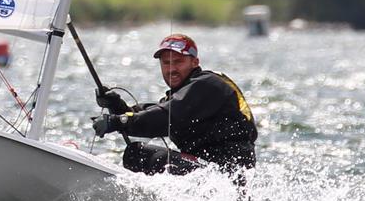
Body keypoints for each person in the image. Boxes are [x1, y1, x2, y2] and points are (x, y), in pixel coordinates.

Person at [92, 34, 257, 182]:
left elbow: (164, 118)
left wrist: (117, 121)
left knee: (138, 154)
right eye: (166, 63)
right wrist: (114, 105)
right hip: (207, 173)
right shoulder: (179, 97)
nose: (171, 69)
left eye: (178, 61)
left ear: (195, 62)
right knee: (139, 152)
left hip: (225, 178)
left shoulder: (207, 84)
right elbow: (144, 115)